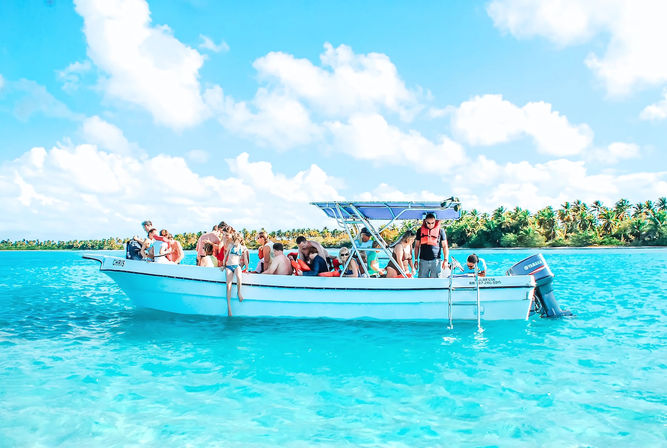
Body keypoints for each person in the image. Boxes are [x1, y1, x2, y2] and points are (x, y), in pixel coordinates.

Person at [414, 213, 449, 278]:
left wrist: (446, 260)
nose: (430, 225)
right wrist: (416, 260)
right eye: (428, 223)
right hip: (423, 260)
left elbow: (445, 246)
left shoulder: (441, 231)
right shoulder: (420, 231)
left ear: (435, 222)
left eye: (432, 223)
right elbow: (416, 246)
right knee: (422, 281)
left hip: (436, 261)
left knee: (436, 282)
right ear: (425, 222)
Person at [222, 232, 244, 316]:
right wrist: (223, 265)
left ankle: (239, 292)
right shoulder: (230, 246)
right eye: (235, 239)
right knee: (228, 285)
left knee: (239, 277)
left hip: (237, 266)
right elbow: (225, 257)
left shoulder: (242, 248)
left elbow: (244, 260)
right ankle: (229, 308)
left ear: (240, 240)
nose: (236, 240)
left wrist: (246, 268)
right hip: (229, 266)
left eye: (238, 239)